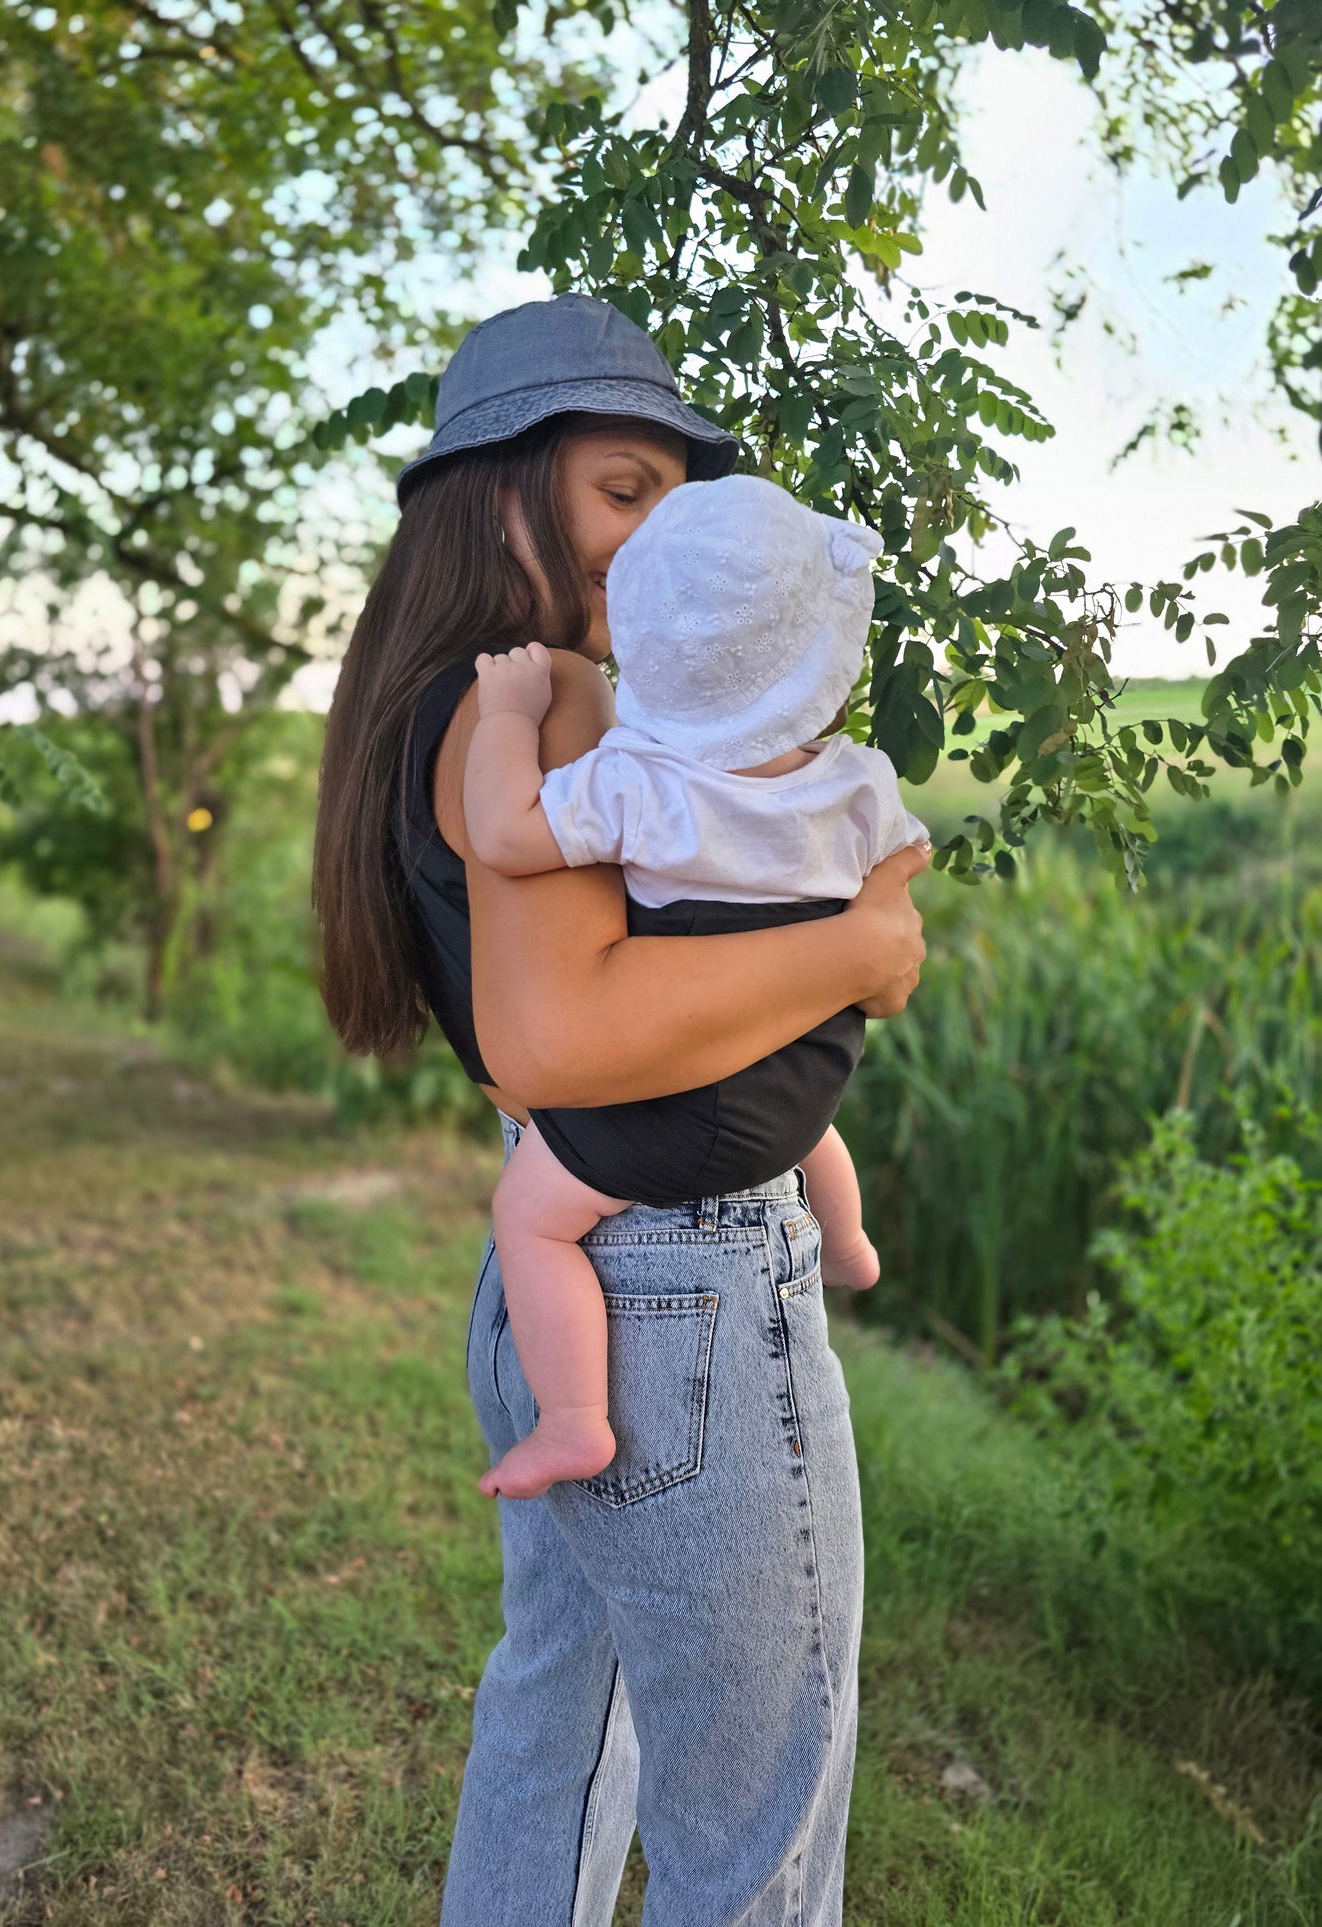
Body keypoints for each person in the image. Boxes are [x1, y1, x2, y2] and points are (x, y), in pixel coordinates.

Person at [312, 292, 927, 1926]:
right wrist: (855, 943)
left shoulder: (438, 703)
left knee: (562, 1728)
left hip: (573, 1272)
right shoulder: (556, 702)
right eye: (622, 487)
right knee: (758, 1826)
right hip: (687, 1282)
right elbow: (555, 1039)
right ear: (497, 492)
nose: (655, 537)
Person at [463, 474, 929, 1501]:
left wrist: (506, 715)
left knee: (530, 1215)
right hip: (808, 1065)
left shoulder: (636, 781)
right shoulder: (859, 779)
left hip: (679, 1102)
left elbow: (503, 832)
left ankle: (574, 1420)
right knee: (798, 1107)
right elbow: (899, 882)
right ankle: (845, 1240)